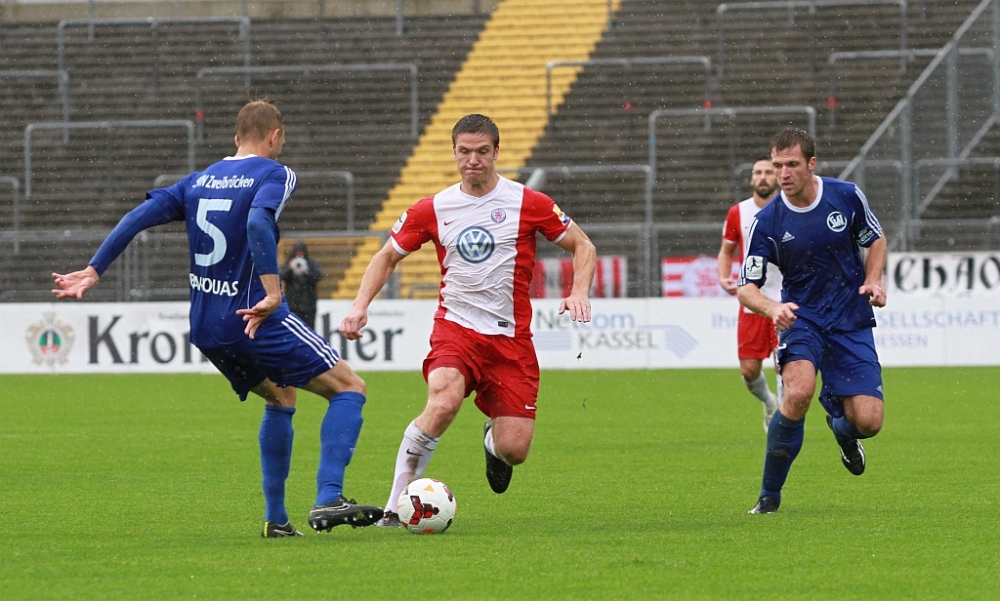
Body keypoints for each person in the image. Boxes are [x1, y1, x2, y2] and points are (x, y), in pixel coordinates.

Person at [51, 100, 383, 537]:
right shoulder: (275, 174)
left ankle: (277, 520)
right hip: (253, 316)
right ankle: (329, 497)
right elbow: (258, 223)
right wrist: (273, 291)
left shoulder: (197, 181)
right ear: (275, 137)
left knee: (281, 396)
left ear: (235, 137)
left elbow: (136, 217)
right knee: (349, 388)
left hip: (207, 325)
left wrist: (95, 269)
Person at [339, 114, 596, 528]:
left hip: (510, 341)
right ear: (454, 153)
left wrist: (579, 290)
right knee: (443, 401)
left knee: (515, 449)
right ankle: (394, 507)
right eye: (464, 151)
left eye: (481, 151)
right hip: (456, 329)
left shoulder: (528, 203)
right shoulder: (433, 208)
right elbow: (386, 256)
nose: (473, 160)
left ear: (496, 152)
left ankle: (493, 443)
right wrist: (359, 305)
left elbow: (582, 245)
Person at [737, 128, 887, 514]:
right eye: (777, 166)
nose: (783, 174)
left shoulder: (846, 196)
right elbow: (746, 288)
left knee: (869, 423)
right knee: (798, 393)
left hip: (850, 317)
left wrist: (873, 280)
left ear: (811, 164)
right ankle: (769, 496)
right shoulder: (767, 221)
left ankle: (842, 432)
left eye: (792, 164)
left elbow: (876, 239)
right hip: (802, 319)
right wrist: (772, 308)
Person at [718, 155, 783, 432]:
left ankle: (784, 422)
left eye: (768, 172)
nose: (763, 177)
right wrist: (723, 277)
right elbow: (726, 251)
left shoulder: (790, 208)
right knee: (749, 371)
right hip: (752, 300)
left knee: (785, 366)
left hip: (786, 299)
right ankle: (769, 402)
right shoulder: (738, 212)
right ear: (751, 178)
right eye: (758, 172)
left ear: (778, 176)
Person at [280, 241, 322, 328]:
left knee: (309, 328)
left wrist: (306, 272)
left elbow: (317, 276)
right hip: (293, 305)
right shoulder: (289, 263)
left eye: (301, 252)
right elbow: (282, 275)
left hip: (308, 305)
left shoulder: (311, 264)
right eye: (297, 252)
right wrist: (290, 268)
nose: (299, 255)